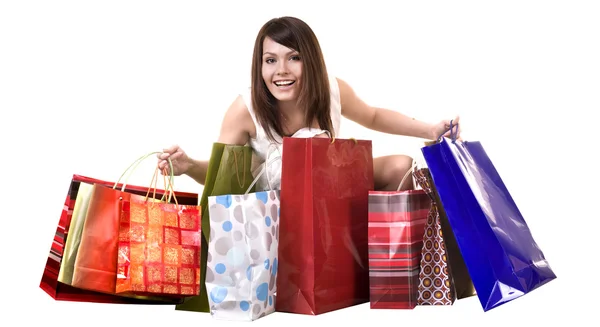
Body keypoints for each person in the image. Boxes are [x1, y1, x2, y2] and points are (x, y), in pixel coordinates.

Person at [157, 16, 461, 192]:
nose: (281, 71)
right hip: (278, 211)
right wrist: (188, 166)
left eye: (294, 58)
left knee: (401, 166)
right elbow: (220, 178)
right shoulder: (245, 109)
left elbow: (373, 116)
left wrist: (431, 128)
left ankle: (388, 266)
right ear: (259, 66)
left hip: (331, 190)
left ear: (311, 61)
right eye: (270, 60)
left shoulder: (331, 89)